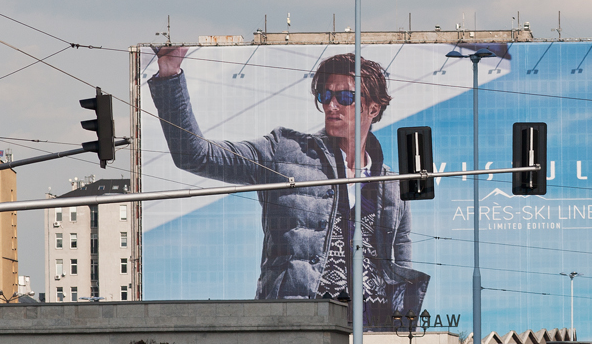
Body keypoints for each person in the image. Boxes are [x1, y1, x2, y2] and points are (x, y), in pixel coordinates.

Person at [148, 48, 428, 329]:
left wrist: (401, 334)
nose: (332, 105)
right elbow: (195, 156)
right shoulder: (283, 153)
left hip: (373, 330)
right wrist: (170, 75)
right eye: (325, 96)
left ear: (374, 108)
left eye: (345, 97)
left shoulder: (392, 187)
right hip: (302, 327)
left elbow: (399, 272)